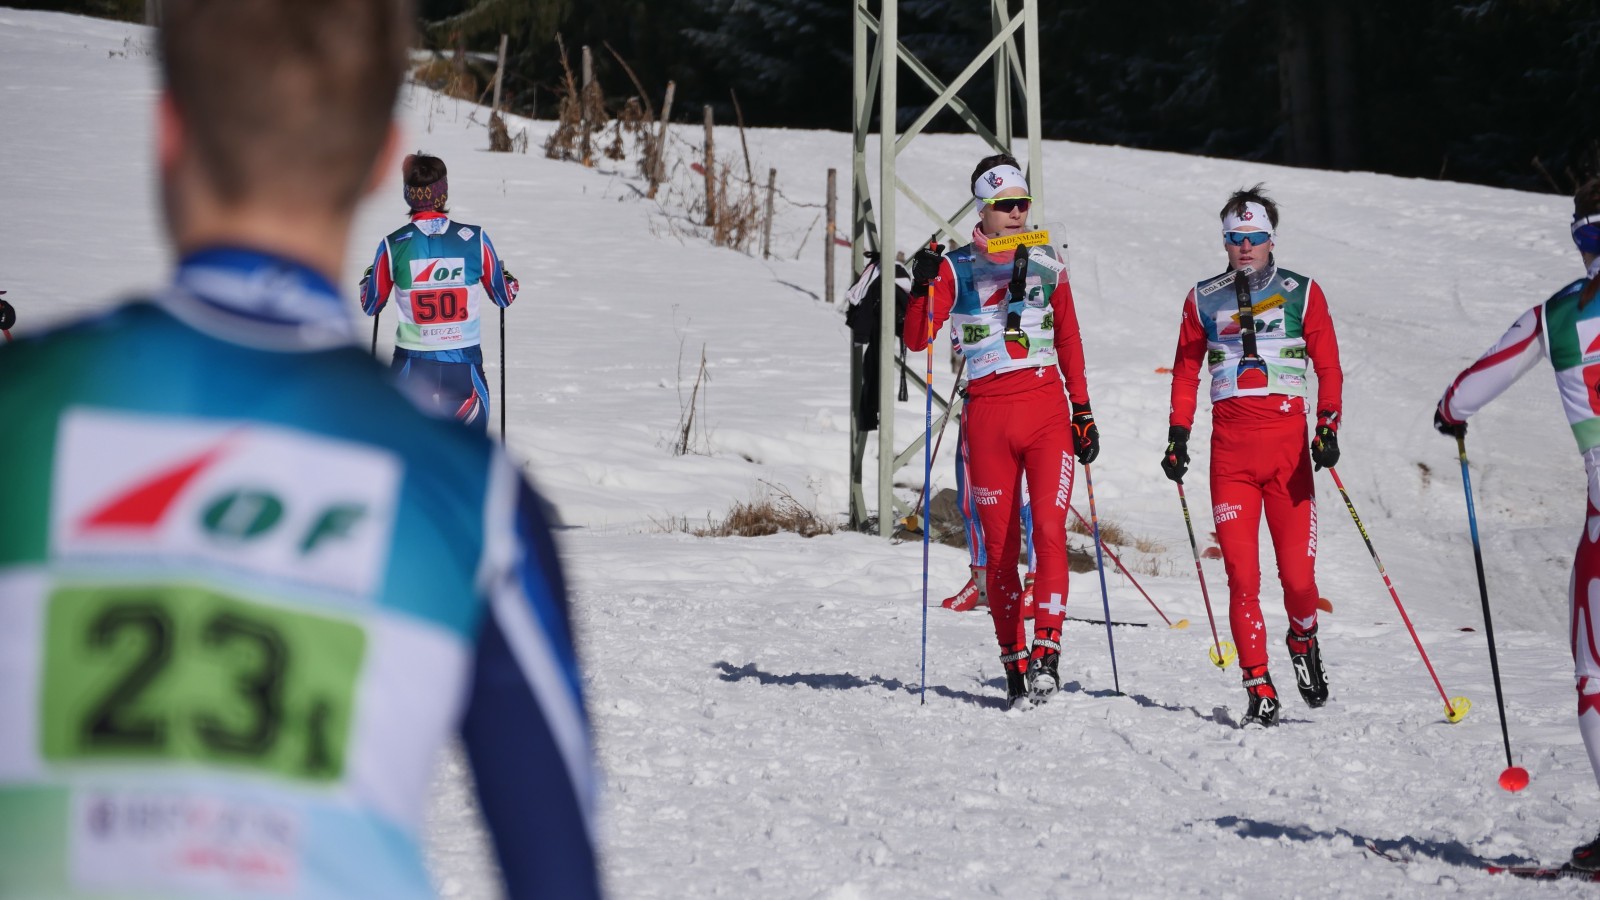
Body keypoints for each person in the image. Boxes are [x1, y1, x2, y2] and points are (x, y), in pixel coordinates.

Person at [0, 2, 600, 898]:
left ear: (169, 132)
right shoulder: (483, 499)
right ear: (376, 158)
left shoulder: (19, 403)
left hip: (410, 369)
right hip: (448, 397)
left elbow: (371, 296)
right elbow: (558, 872)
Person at [1434, 178, 1600, 871]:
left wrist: (1451, 413)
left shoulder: (1559, 312)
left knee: (1595, 672)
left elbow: (1467, 392)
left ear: (1580, 236)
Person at [904, 153, 1098, 710]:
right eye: (1004, 205)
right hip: (987, 416)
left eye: (1022, 203)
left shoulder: (1046, 258)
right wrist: (920, 286)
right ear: (983, 211)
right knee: (999, 549)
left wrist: (1082, 410)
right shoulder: (955, 266)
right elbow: (916, 339)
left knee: (1050, 533)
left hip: (1045, 411)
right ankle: (1013, 660)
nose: (1016, 213)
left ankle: (1047, 651)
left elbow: (1069, 338)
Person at [1160, 185, 1343, 727]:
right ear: (1224, 241)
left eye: (1255, 238)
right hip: (1231, 460)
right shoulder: (1202, 298)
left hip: (1289, 460)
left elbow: (1328, 367)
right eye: (1236, 238)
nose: (1245, 247)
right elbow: (1185, 372)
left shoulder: (1302, 292)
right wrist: (1177, 435)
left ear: (1271, 240)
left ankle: (1303, 638)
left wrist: (1327, 425)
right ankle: (1258, 684)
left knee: (1299, 582)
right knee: (1243, 578)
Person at [361, 153, 519, 432]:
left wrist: (368, 277)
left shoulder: (393, 244)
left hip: (411, 367)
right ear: (442, 192)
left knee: (405, 451)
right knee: (465, 452)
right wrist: (507, 277)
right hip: (462, 367)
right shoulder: (475, 238)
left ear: (408, 195)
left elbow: (371, 303)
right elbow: (504, 296)